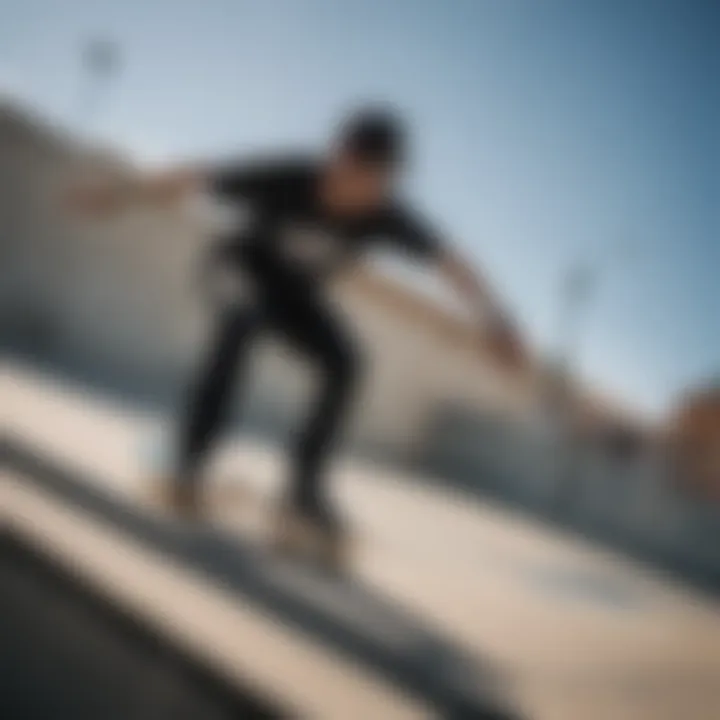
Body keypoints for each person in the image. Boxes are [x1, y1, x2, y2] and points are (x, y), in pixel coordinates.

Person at [69, 106, 525, 568]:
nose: (357, 196)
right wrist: (117, 195)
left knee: (346, 364)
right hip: (238, 267)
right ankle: (189, 458)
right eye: (352, 177)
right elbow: (196, 176)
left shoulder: (386, 215)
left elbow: (450, 263)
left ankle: (301, 494)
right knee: (243, 317)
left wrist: (498, 323)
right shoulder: (289, 176)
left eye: (375, 186)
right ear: (337, 158)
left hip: (293, 297)